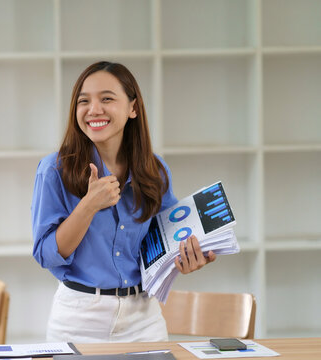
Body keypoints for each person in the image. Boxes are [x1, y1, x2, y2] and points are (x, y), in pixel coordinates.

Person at [31, 61, 217, 343]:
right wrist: (88, 206)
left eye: (107, 98)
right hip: (78, 318)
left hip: (143, 317)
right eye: (84, 101)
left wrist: (189, 257)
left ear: (133, 108)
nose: (94, 109)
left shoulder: (155, 170)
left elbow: (165, 242)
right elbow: (45, 254)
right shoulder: (54, 170)